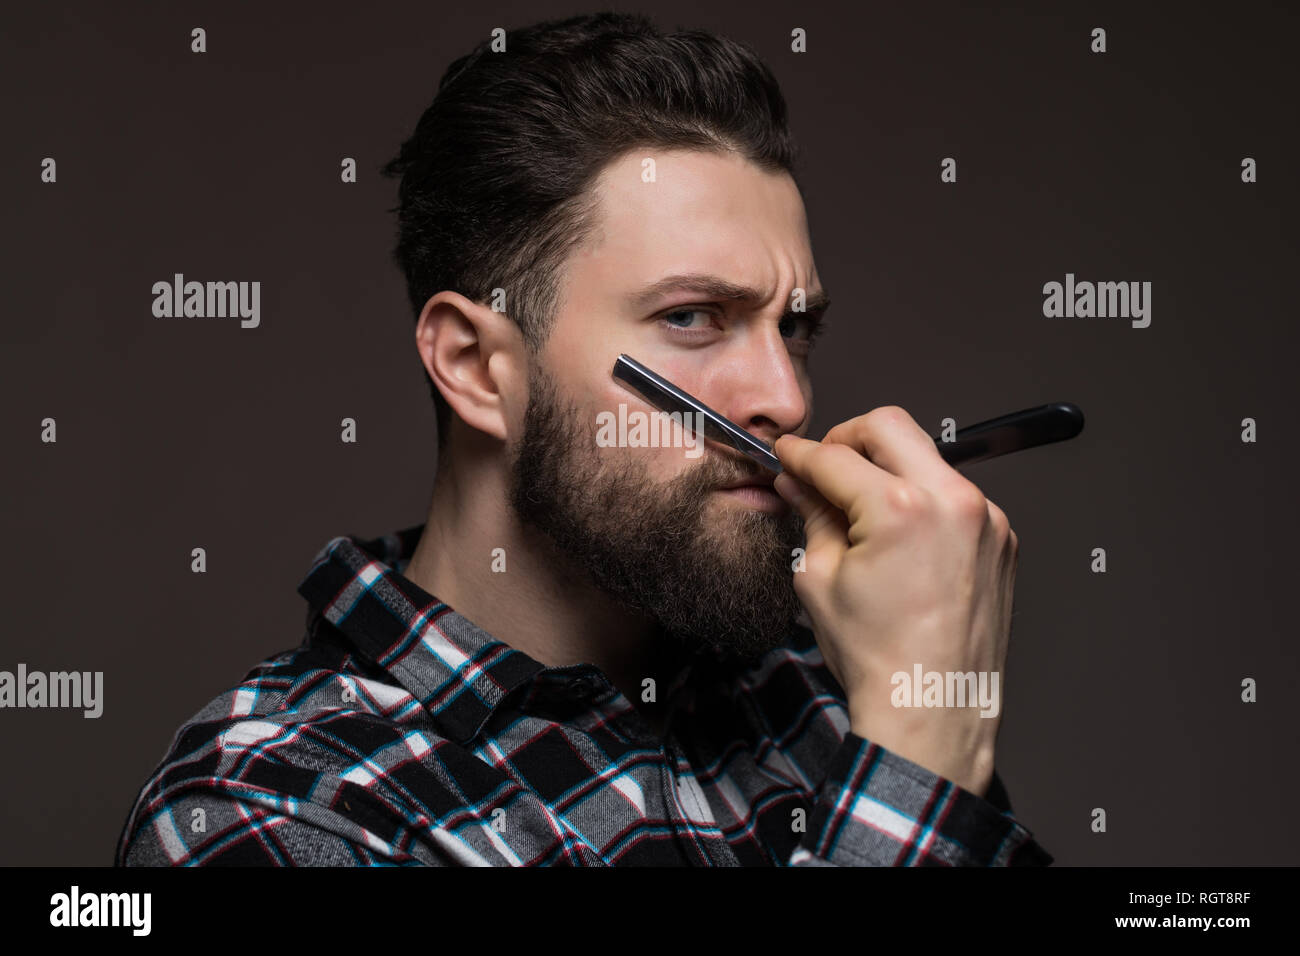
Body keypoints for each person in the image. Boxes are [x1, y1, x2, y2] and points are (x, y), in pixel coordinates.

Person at [116, 11, 1051, 866]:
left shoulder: (825, 698)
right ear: (480, 368)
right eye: (692, 317)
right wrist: (921, 754)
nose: (782, 395)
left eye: (793, 328)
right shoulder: (275, 806)